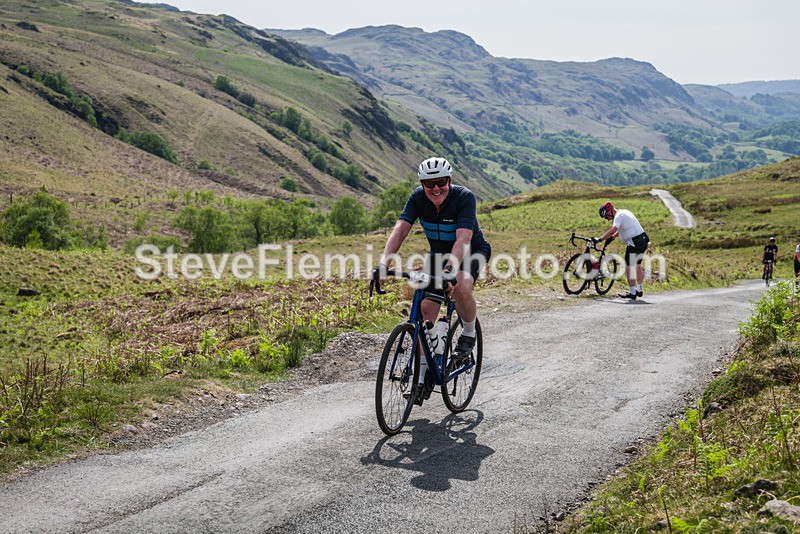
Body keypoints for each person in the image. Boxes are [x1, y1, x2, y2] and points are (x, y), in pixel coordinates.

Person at [373, 157, 491, 403]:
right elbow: (400, 230)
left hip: (471, 251)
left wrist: (449, 271)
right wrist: (383, 264)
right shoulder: (418, 198)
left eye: (441, 182)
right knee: (426, 310)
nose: (436, 188)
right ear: (422, 185)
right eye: (429, 184)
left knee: (461, 286)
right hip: (438, 255)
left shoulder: (464, 198)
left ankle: (468, 334)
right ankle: (422, 378)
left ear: (449, 181)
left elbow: (463, 239)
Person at [595, 202, 649, 300]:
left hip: (634, 243)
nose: (607, 219)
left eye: (606, 216)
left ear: (610, 211)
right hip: (643, 240)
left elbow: (614, 229)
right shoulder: (624, 212)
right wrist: (612, 237)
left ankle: (633, 293)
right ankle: (639, 289)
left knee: (629, 267)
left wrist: (600, 239)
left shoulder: (618, 216)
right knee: (637, 265)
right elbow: (623, 229)